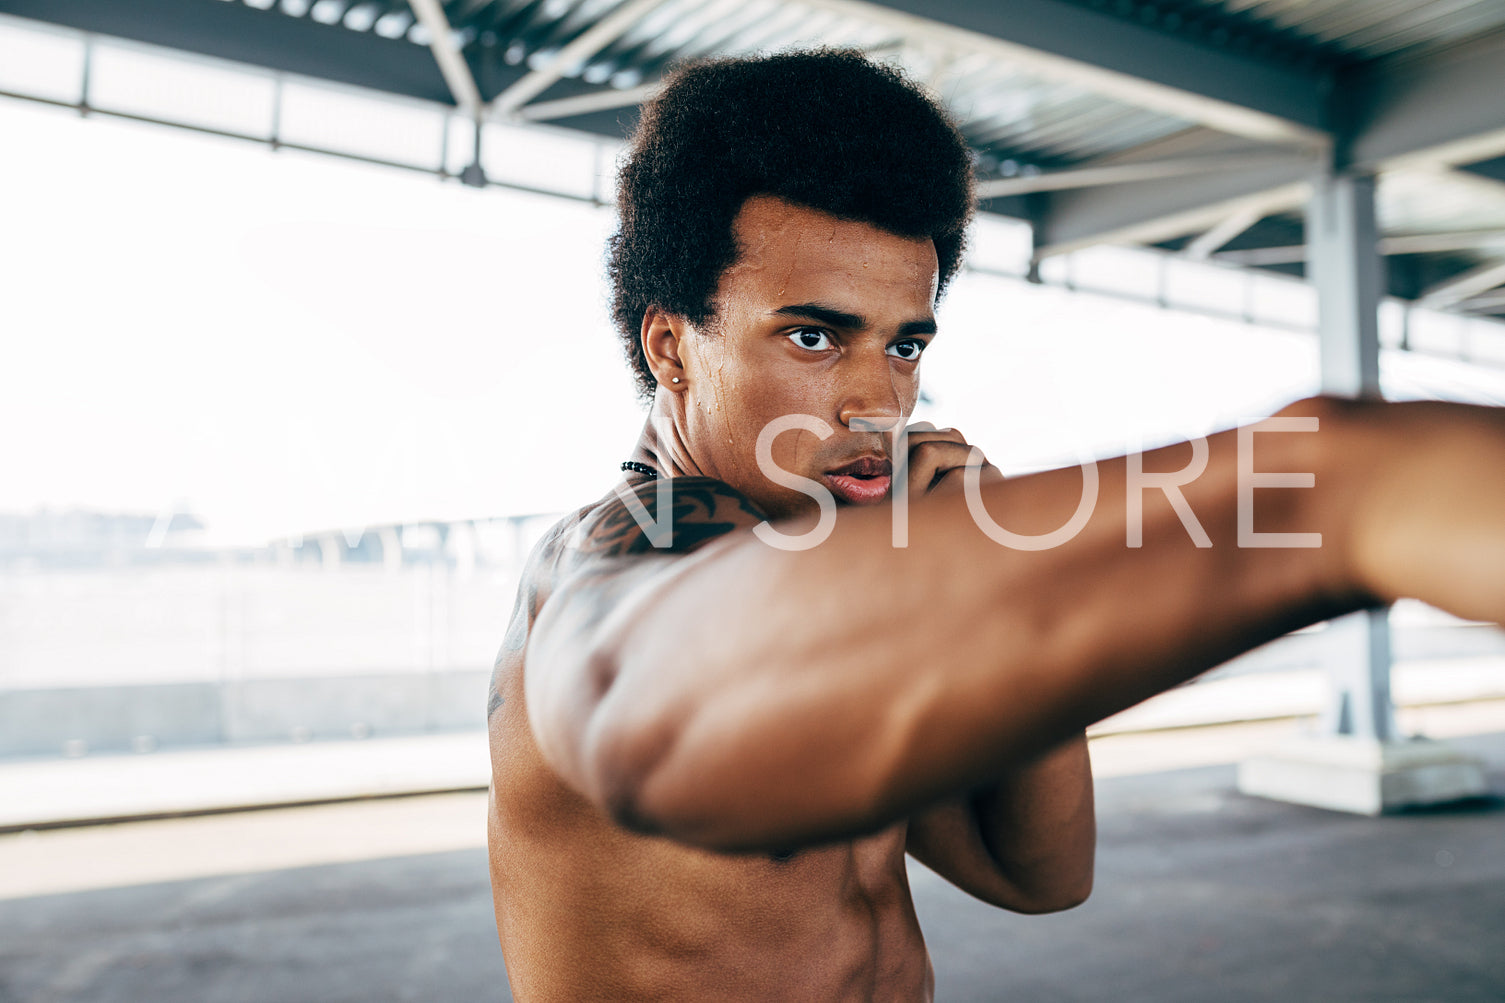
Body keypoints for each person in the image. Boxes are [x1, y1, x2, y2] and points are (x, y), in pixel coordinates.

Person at [486, 49, 1505, 1001]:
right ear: (670, 347)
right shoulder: (602, 564)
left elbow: (1039, 872)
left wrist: (974, 536)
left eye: (901, 344)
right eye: (812, 336)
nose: (876, 403)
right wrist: (1322, 491)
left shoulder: (838, 585)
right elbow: (644, 715)